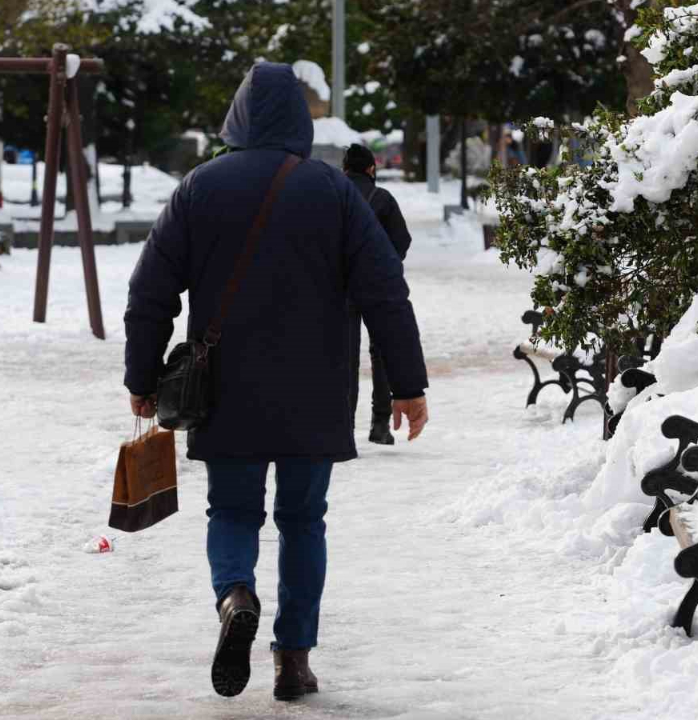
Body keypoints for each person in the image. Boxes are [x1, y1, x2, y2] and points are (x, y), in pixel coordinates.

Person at [123, 63, 430, 702]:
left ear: (235, 118)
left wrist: (142, 375)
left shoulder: (198, 188)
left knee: (232, 509)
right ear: (300, 120)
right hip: (315, 389)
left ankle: (235, 592)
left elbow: (150, 290)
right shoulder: (335, 191)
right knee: (303, 520)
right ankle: (294, 660)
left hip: (225, 386)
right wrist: (407, 384)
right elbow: (385, 291)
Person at [342, 143, 412, 446]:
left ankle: (343, 428)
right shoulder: (382, 198)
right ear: (372, 169)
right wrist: (385, 267)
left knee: (344, 356)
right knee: (380, 354)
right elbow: (402, 240)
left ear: (345, 169)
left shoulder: (332, 196)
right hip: (376, 288)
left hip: (339, 289)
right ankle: (380, 424)